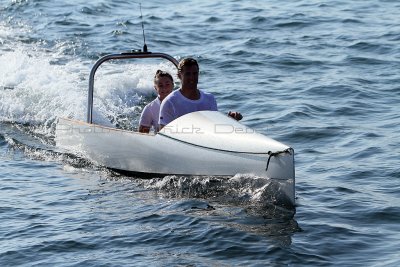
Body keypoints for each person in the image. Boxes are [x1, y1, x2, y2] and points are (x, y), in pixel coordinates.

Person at [159, 57, 242, 129]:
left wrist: (230, 120)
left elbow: (215, 128)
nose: (192, 77)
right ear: (179, 75)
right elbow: (163, 136)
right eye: (188, 74)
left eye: (195, 73)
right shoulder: (170, 102)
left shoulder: (209, 99)